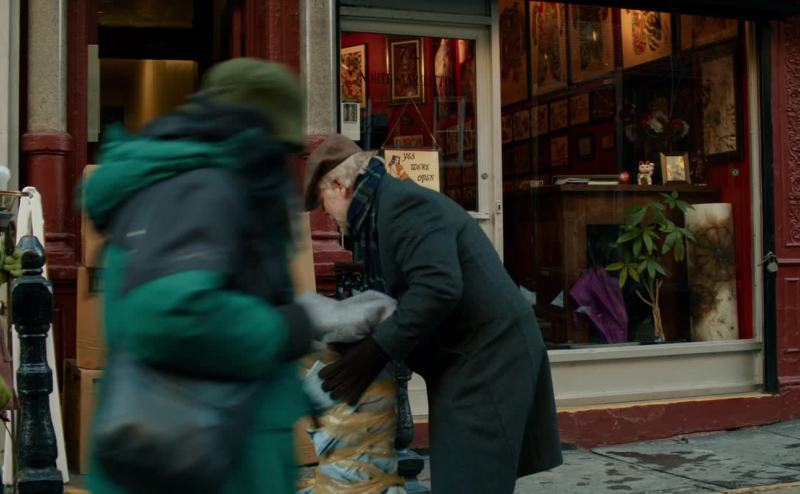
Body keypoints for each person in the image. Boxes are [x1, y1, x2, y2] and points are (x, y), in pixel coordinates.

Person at [82, 58, 353, 494]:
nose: (286, 167)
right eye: (282, 149)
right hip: (203, 460)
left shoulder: (195, 183)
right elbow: (172, 315)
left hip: (207, 450)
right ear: (258, 134)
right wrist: (293, 325)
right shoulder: (202, 188)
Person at [303, 134, 563, 494]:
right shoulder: (380, 211)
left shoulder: (403, 205)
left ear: (340, 185)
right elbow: (401, 298)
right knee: (463, 478)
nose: (328, 215)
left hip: (489, 361)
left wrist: (375, 351)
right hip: (467, 362)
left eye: (323, 202)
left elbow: (438, 287)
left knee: (469, 482)